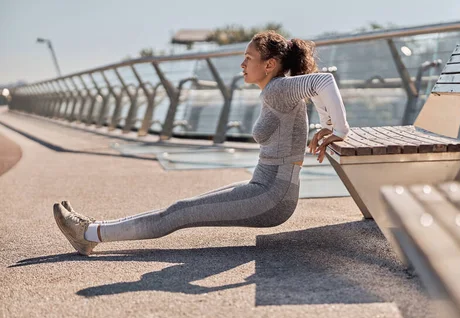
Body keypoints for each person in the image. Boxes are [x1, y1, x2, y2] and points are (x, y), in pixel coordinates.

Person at [53, 30, 350, 256]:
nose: (242, 63)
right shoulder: (279, 88)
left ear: (270, 64)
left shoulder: (278, 89)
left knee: (179, 213)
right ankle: (93, 228)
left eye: (249, 58)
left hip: (272, 195)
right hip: (266, 187)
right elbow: (316, 88)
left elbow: (323, 82)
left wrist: (339, 128)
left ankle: (89, 234)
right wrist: (327, 126)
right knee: (178, 209)